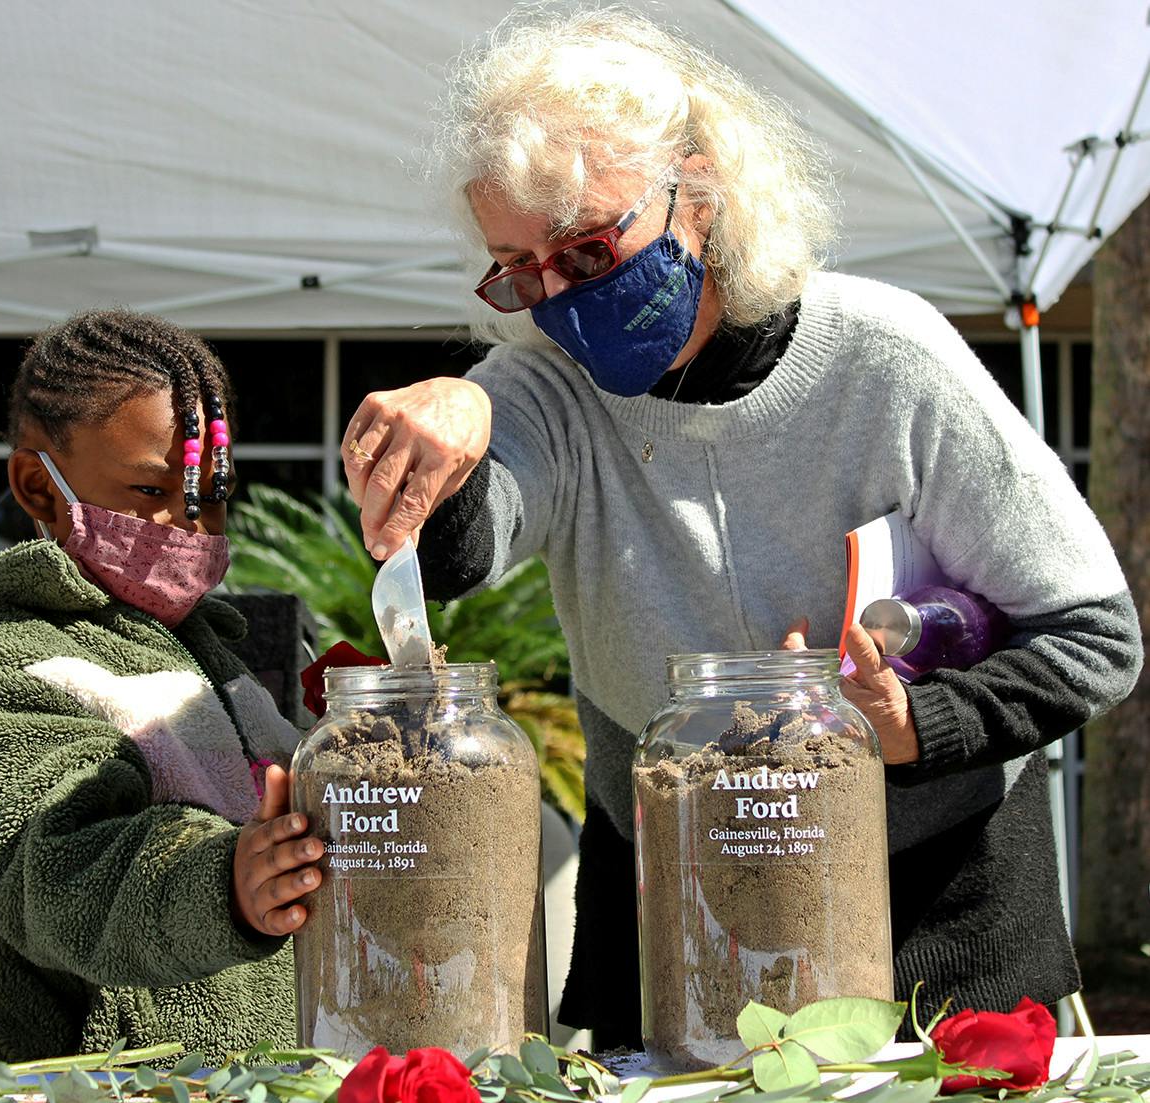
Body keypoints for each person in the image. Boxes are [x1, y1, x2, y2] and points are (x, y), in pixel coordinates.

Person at [341, 8, 1143, 1046]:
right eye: (521, 268)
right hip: (674, 925)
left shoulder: (889, 359)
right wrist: (451, 420)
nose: (561, 297)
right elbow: (463, 551)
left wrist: (916, 726)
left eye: (589, 249)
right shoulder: (545, 385)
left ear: (700, 186)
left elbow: (1094, 637)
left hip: (937, 928)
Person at [0, 311, 321, 1064]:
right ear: (38, 485)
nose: (189, 524)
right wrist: (224, 879)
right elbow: (60, 873)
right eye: (150, 489)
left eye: (210, 492)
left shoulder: (221, 667)